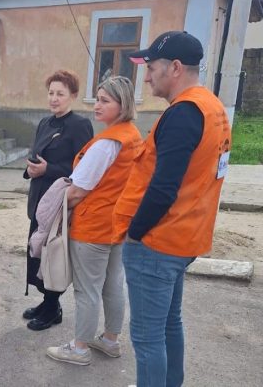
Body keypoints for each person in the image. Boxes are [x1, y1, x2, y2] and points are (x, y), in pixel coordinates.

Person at [112, 31, 231, 386]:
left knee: (147, 337)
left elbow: (163, 189)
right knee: (168, 324)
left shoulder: (183, 114)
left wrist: (135, 233)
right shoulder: (211, 107)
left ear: (175, 67)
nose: (147, 77)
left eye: (151, 68)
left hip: (158, 242)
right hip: (185, 236)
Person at [45, 76, 142, 366]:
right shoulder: (132, 136)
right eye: (97, 99)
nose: (97, 105)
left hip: (92, 227)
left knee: (86, 290)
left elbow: (78, 190)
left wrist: (58, 208)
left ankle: (79, 349)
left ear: (122, 105)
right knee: (112, 284)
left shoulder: (106, 144)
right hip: (118, 224)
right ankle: (110, 340)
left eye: (104, 101)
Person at [23, 70, 93, 331]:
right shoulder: (45, 122)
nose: (54, 98)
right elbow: (36, 155)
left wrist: (48, 169)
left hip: (60, 200)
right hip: (39, 198)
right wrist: (30, 169)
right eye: (51, 93)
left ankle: (53, 307)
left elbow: (83, 168)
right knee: (37, 250)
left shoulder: (80, 125)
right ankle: (46, 302)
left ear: (73, 95)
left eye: (60, 94)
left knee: (52, 252)